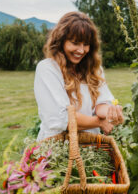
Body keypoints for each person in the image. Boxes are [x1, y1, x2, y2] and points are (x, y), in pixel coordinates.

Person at [34, 12, 124, 141]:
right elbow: (60, 119)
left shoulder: (94, 69)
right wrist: (99, 122)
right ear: (61, 41)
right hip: (57, 147)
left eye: (86, 44)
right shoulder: (48, 69)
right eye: (75, 43)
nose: (81, 50)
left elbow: (102, 102)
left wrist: (111, 112)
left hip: (91, 146)